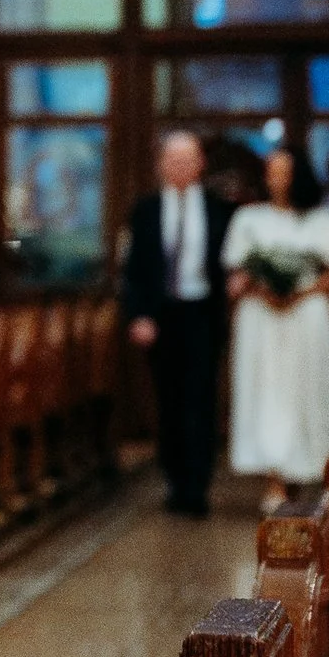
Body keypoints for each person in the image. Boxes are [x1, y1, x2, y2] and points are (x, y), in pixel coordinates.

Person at [224, 147, 329, 509]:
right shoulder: (249, 217)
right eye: (271, 170)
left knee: (305, 389)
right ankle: (275, 478)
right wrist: (264, 287)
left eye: (283, 170)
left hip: (306, 315)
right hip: (263, 317)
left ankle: (307, 470)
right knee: (268, 390)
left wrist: (299, 291)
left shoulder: (321, 219)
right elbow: (238, 271)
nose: (275, 177)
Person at [121, 132, 234, 516]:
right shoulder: (146, 210)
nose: (179, 167)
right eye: (172, 160)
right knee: (168, 401)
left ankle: (197, 485)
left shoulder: (220, 209)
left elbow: (230, 264)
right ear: (161, 165)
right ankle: (174, 480)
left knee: (200, 398)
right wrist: (139, 315)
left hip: (201, 312)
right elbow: (133, 270)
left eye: (187, 160)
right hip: (161, 314)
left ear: (200, 164)